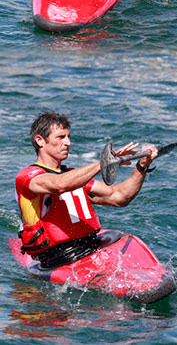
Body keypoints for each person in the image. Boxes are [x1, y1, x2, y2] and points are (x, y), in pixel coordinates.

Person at [15, 111, 158, 264]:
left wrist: (142, 166)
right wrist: (104, 162)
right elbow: (58, 184)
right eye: (61, 137)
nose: (68, 142)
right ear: (40, 141)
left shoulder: (74, 176)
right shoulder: (28, 176)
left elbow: (120, 197)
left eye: (69, 137)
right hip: (56, 259)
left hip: (90, 248)